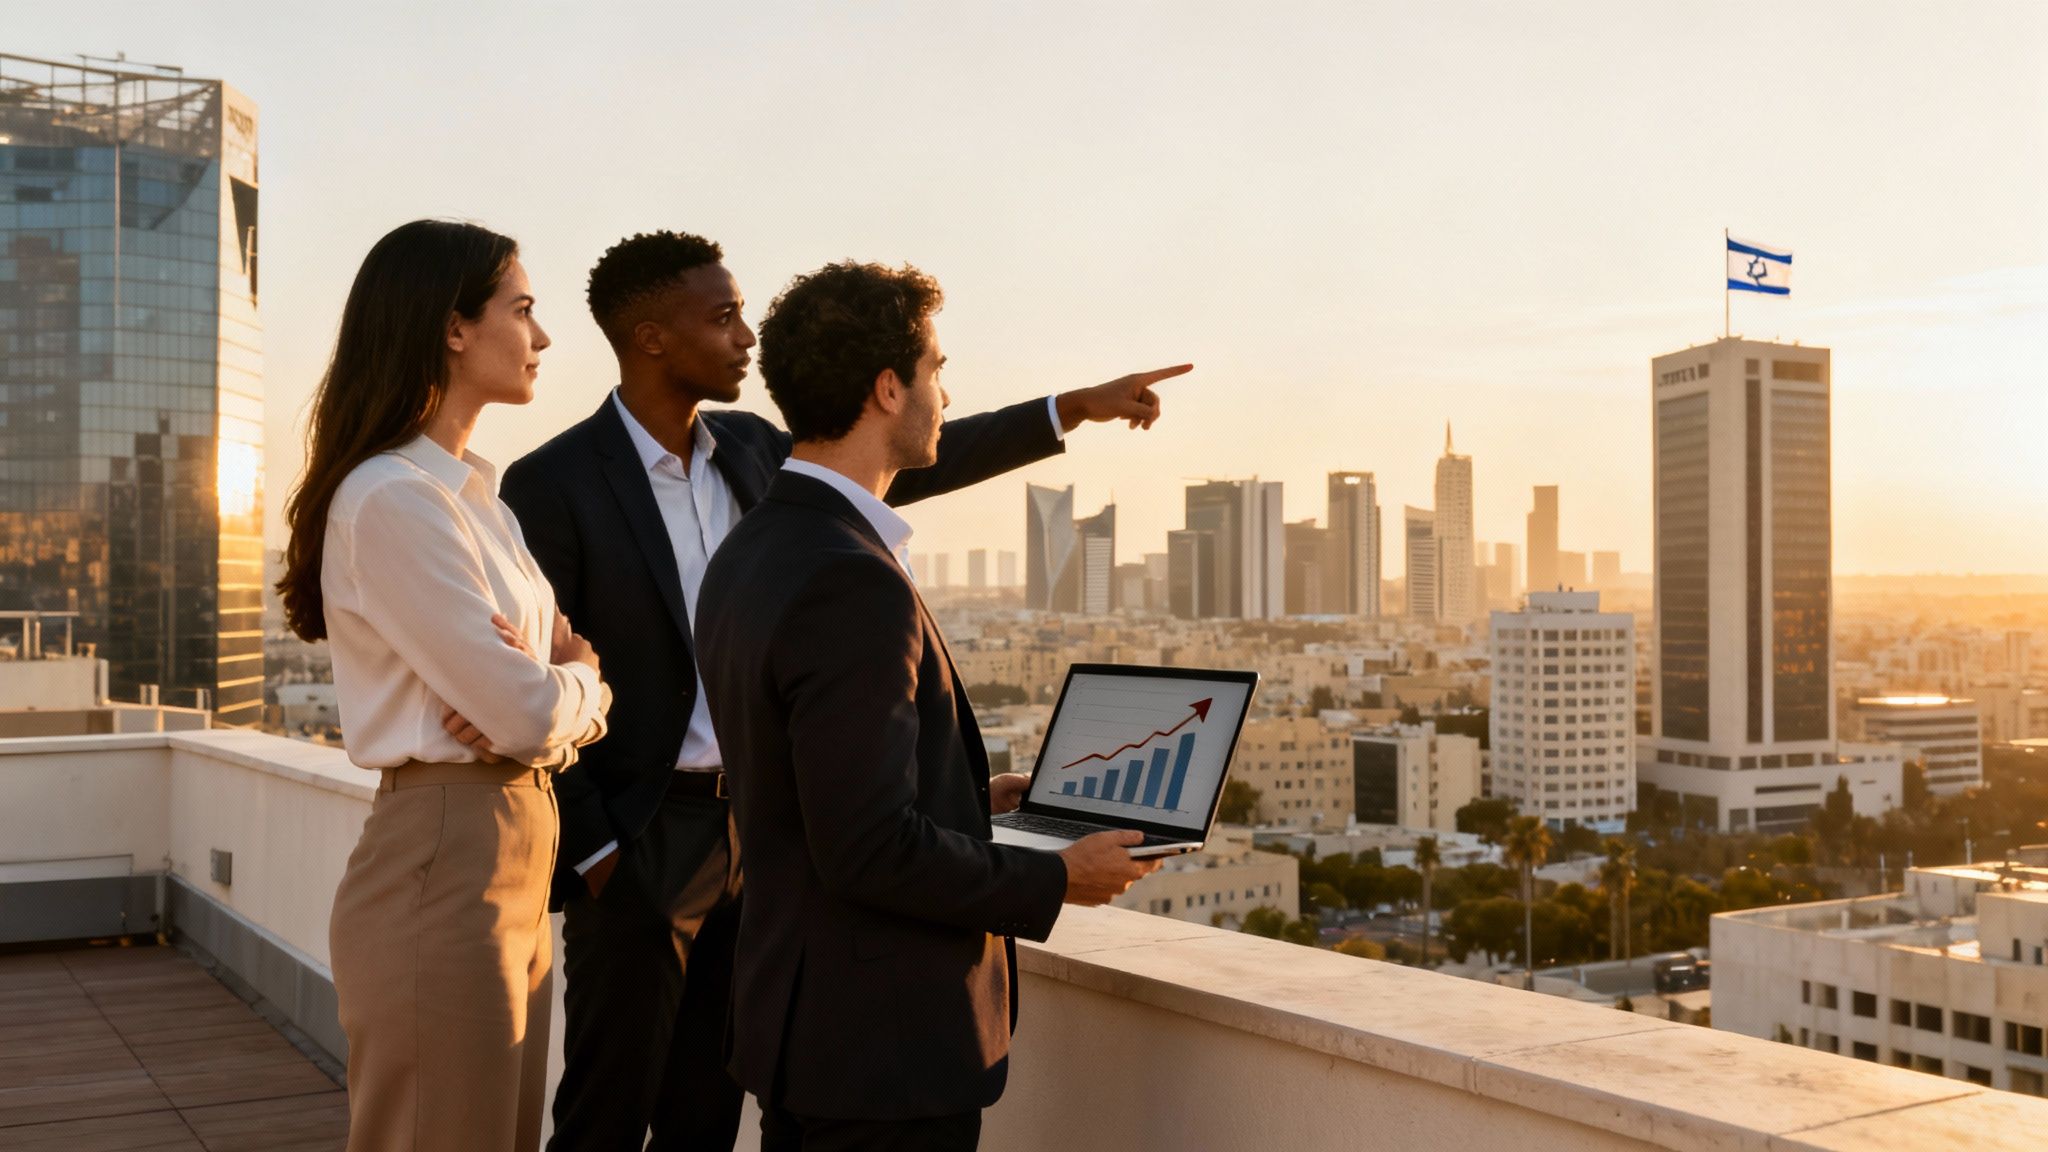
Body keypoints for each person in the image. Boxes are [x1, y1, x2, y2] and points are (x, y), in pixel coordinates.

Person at [490, 231, 1185, 1151]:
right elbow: (541, 670)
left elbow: (902, 453)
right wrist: (601, 853)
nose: (747, 338)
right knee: (608, 1110)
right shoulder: (555, 482)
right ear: (651, 336)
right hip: (649, 840)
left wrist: (1068, 410)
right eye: (724, 315)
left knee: (707, 1111)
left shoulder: (754, 459)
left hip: (767, 837)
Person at [695, 260, 1171, 1151]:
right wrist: (1058, 876)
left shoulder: (755, 546)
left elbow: (816, 792)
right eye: (937, 371)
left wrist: (967, 799)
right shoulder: (849, 578)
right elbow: (868, 850)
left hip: (809, 1023)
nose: (946, 395)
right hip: (882, 1048)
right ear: (887, 388)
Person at [276, 220, 610, 1152]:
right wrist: (576, 682)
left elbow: (532, 707)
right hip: (446, 858)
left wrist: (559, 691)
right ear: (454, 328)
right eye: (524, 309)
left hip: (516, 850)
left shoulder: (478, 504)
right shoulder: (393, 500)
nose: (542, 338)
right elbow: (528, 703)